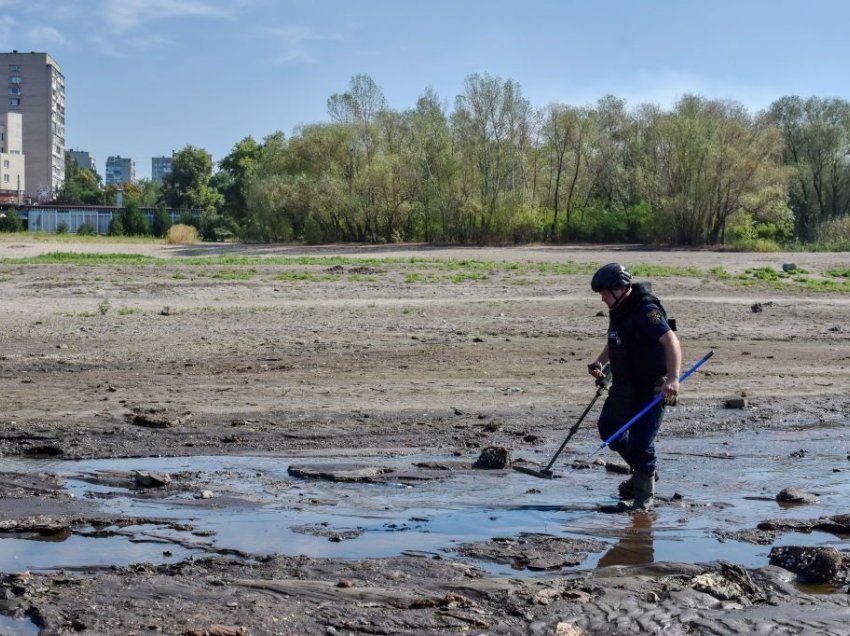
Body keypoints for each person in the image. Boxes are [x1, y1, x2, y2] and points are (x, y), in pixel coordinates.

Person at [587, 263, 681, 510]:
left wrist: (673, 378)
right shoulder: (619, 309)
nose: (603, 299)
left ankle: (644, 499)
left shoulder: (646, 311)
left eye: (605, 293)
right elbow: (616, 339)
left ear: (620, 288)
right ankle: (644, 468)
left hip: (653, 389)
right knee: (609, 429)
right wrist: (600, 361)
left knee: (641, 443)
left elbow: (671, 341)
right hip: (625, 385)